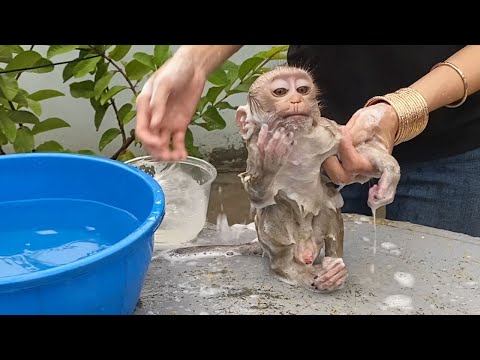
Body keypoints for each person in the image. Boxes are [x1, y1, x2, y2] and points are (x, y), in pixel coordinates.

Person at [135, 45, 480, 237]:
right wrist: (194, 61)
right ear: (246, 121)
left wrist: (403, 109)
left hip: (454, 139)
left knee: (435, 275)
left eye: (298, 91)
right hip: (318, 141)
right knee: (316, 265)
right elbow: (261, 196)